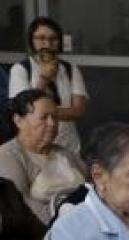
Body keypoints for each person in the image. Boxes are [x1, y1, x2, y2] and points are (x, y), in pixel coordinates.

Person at [0, 89, 86, 224]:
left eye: (55, 117)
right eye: (44, 117)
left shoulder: (65, 153)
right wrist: (69, 224)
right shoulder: (7, 156)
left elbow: (92, 186)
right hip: (47, 230)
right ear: (18, 120)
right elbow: (21, 205)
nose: (52, 123)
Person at [8, 17, 88, 153]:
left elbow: (79, 111)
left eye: (53, 38)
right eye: (41, 38)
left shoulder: (70, 69)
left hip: (68, 146)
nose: (47, 43)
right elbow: (23, 109)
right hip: (34, 147)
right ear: (32, 41)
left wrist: (43, 113)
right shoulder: (22, 69)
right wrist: (44, 80)